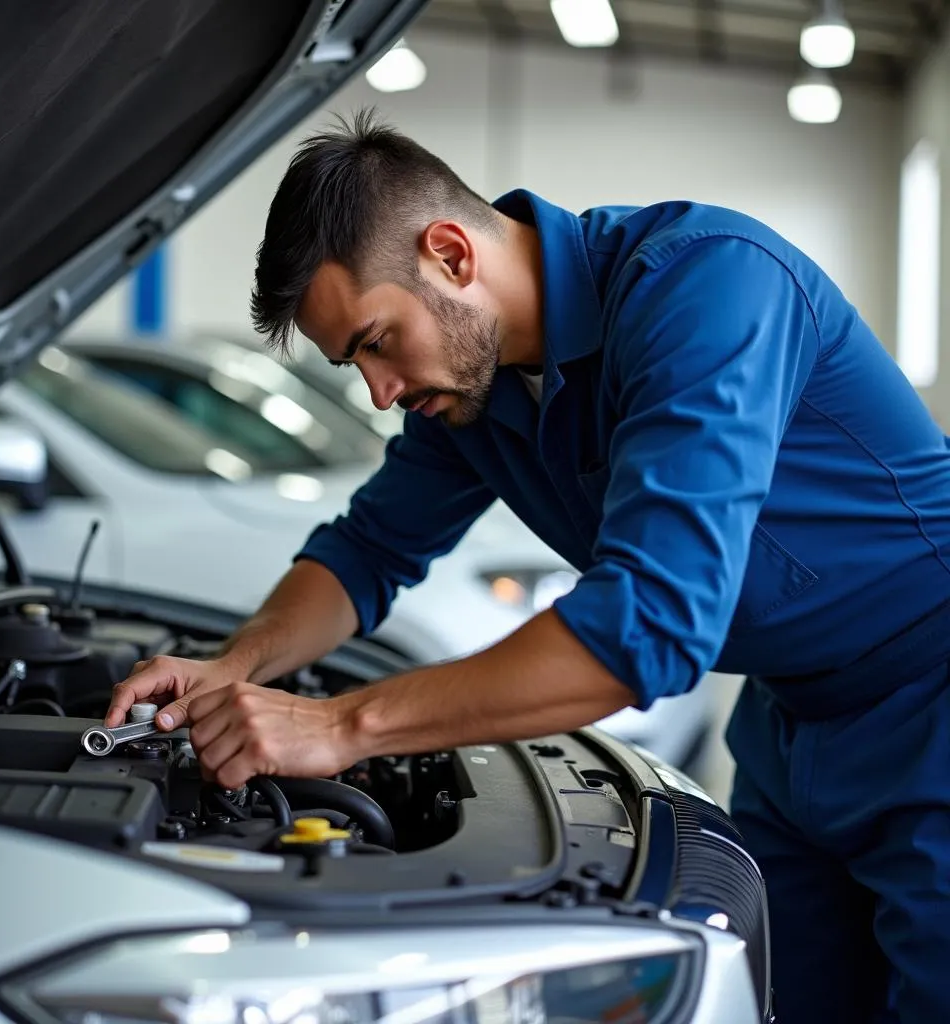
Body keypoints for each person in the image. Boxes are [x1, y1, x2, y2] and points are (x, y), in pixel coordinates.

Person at [105, 109, 950, 1023]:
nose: (380, 391)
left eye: (376, 342)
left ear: (450, 255)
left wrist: (342, 726)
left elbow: (648, 629)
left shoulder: (710, 285)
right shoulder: (473, 391)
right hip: (791, 730)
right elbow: (366, 552)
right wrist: (235, 664)